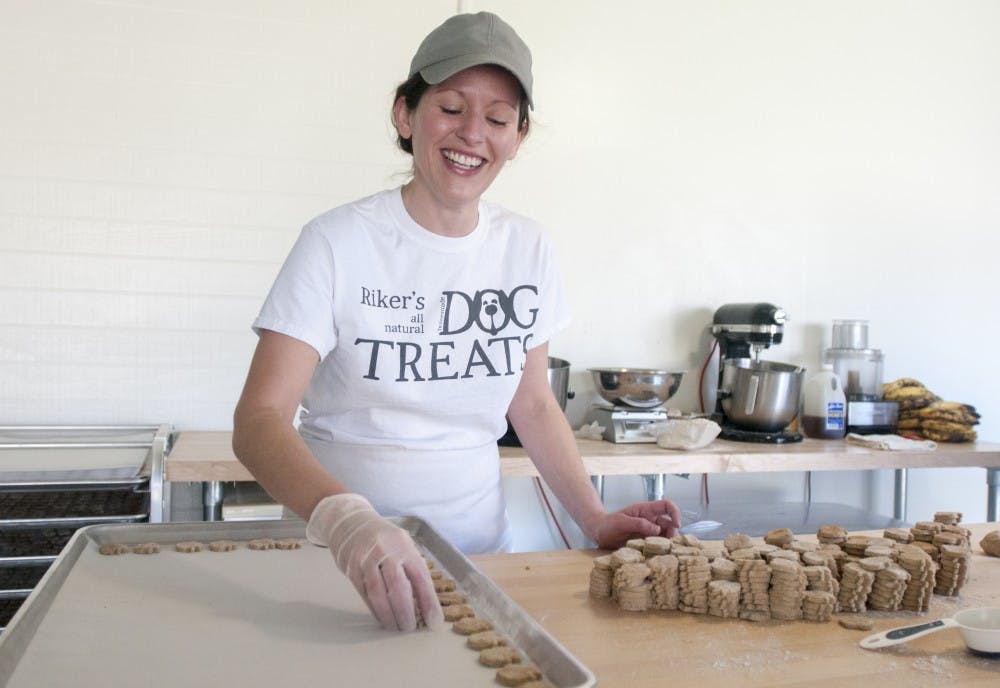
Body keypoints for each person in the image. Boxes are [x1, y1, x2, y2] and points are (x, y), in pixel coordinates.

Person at [232, 11, 682, 633]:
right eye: (450, 107)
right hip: (337, 568)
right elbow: (257, 422)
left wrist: (595, 519)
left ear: (518, 136)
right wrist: (347, 521)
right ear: (405, 114)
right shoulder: (337, 243)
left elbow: (532, 403)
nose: (473, 133)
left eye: (497, 119)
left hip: (478, 566)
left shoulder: (527, 247)